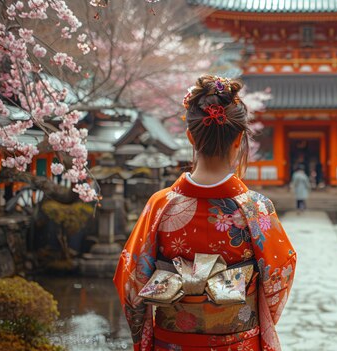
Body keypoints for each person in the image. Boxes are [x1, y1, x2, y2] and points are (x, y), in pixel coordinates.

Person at [114, 75, 296, 351]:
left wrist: (144, 338)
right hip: (237, 344)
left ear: (190, 136)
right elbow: (279, 275)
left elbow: (131, 280)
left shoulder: (160, 205)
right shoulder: (256, 208)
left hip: (171, 343)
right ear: (239, 139)